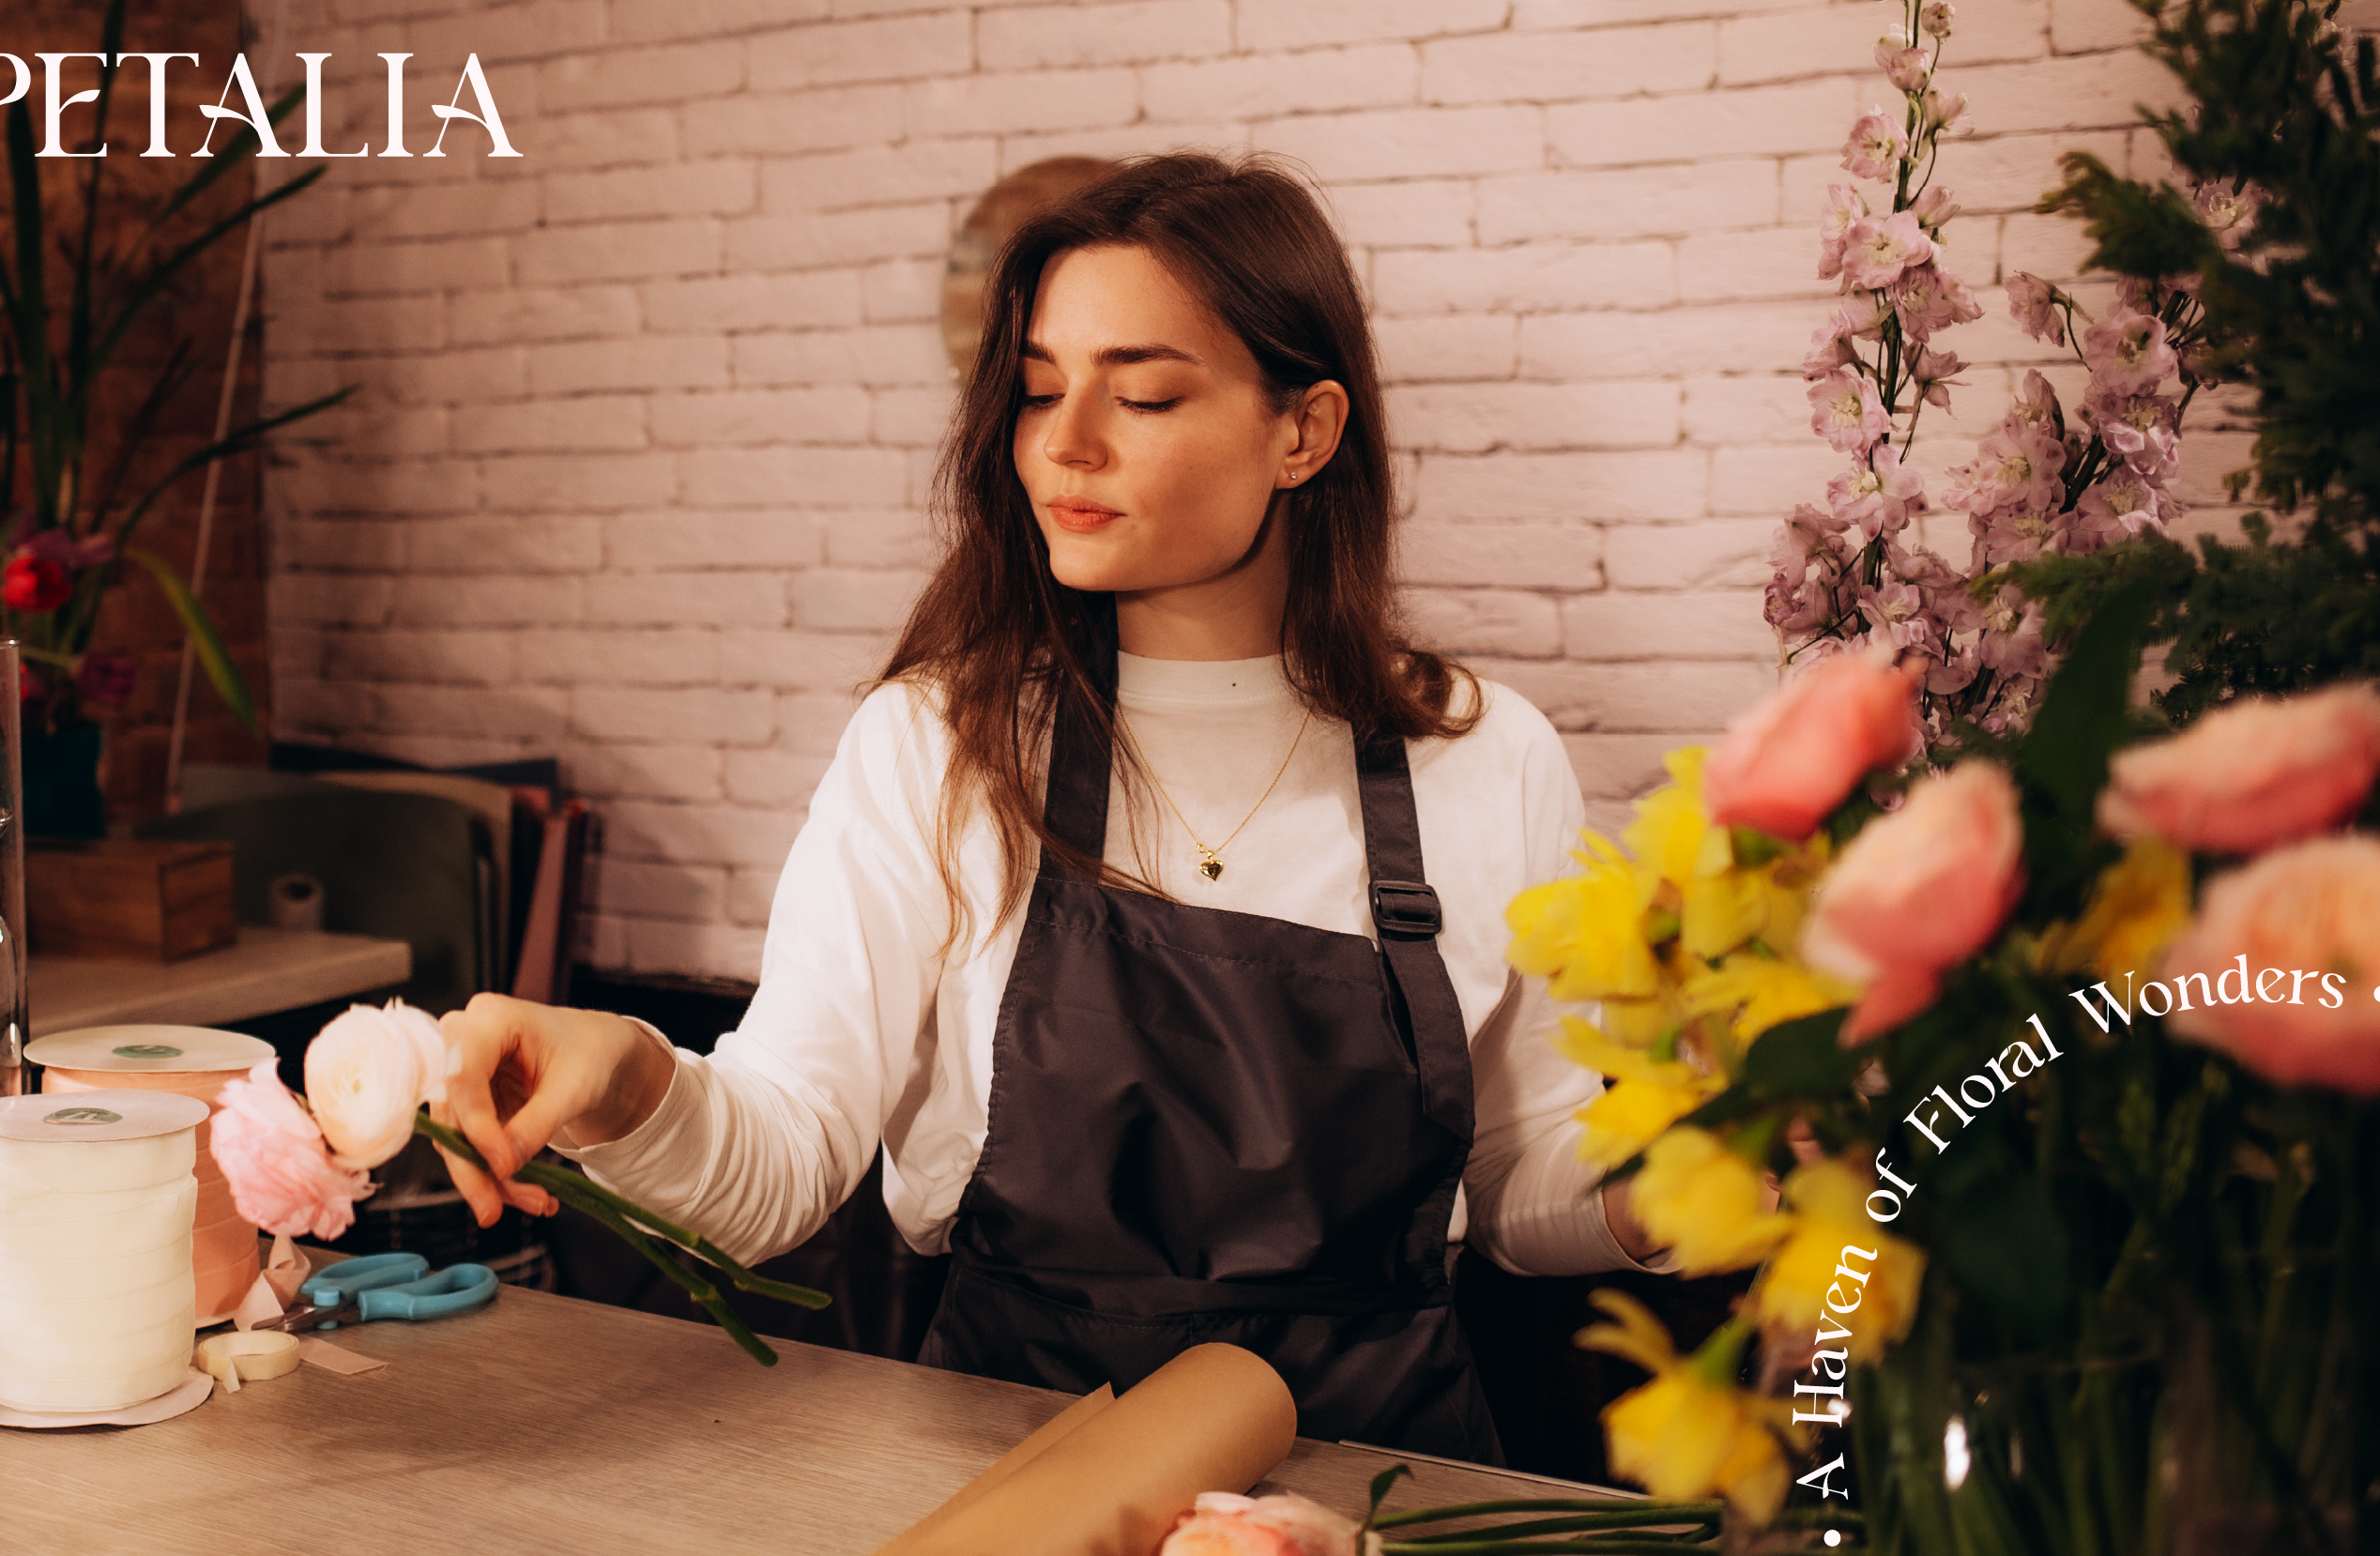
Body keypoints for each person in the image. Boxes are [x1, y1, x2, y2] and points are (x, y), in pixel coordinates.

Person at [433, 152, 1658, 1465]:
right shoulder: (941, 742)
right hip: (1010, 1468)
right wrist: (627, 1079)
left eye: (1143, 394)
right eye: (1035, 390)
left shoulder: (1483, 755)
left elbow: (1516, 1181)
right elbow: (781, 1162)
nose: (1065, 442)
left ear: (1302, 433)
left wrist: (1695, 1185)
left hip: (1383, 1487)